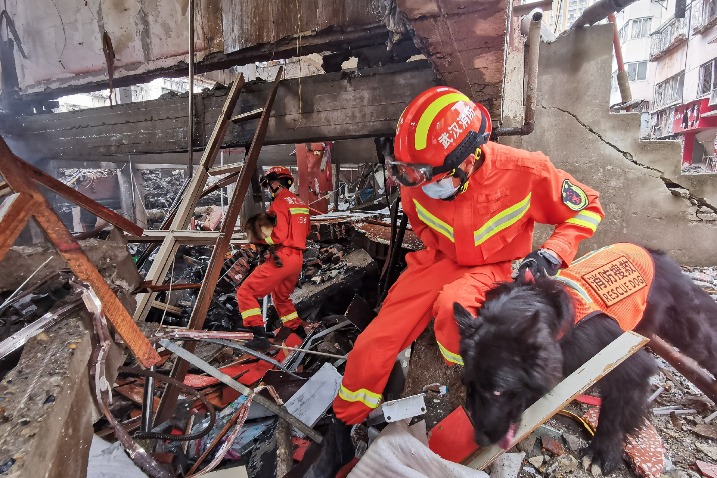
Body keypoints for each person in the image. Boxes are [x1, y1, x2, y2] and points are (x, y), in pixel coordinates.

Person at [332, 86, 605, 426]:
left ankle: (468, 378)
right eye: (410, 172)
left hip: (492, 266)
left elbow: (588, 207)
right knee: (373, 342)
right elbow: (422, 225)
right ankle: (345, 422)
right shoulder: (416, 179)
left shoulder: (527, 172)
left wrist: (551, 254)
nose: (419, 183)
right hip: (437, 260)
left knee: (452, 311)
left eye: (429, 175)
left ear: (468, 158)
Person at [235, 166, 310, 346]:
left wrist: (260, 241)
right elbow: (306, 231)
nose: (269, 189)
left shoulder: (279, 203)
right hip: (297, 259)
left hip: (283, 257)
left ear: (275, 182)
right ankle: (299, 332)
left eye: (269, 185)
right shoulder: (300, 203)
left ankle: (259, 336)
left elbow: (279, 235)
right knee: (281, 297)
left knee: (245, 292)